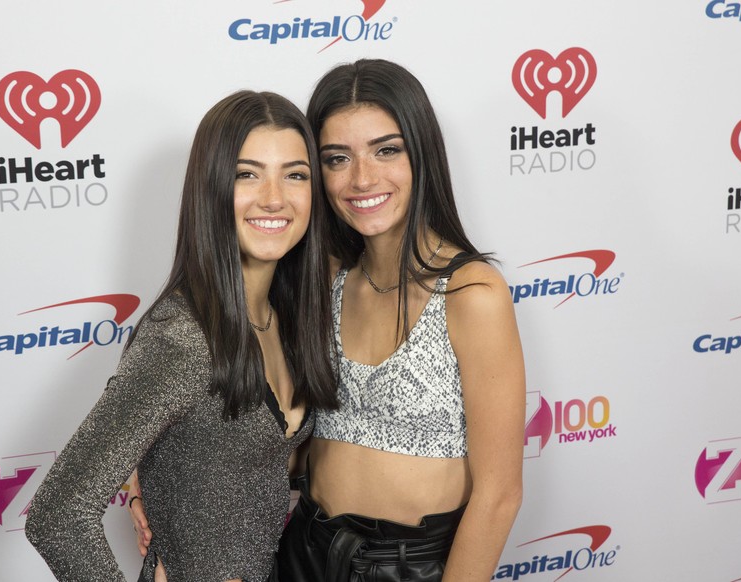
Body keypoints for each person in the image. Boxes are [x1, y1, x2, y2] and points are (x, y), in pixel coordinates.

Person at [131, 59, 526, 581]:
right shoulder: (322, 280)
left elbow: (498, 496)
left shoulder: (472, 292)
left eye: (387, 150)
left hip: (409, 566)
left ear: (422, 154)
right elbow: (238, 412)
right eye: (337, 159)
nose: (363, 178)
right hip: (300, 553)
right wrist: (146, 475)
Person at [25, 90, 338, 582]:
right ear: (211, 186)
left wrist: (136, 480)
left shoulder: (288, 315)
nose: (274, 197)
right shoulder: (182, 341)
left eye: (295, 174)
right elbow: (57, 518)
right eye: (246, 174)